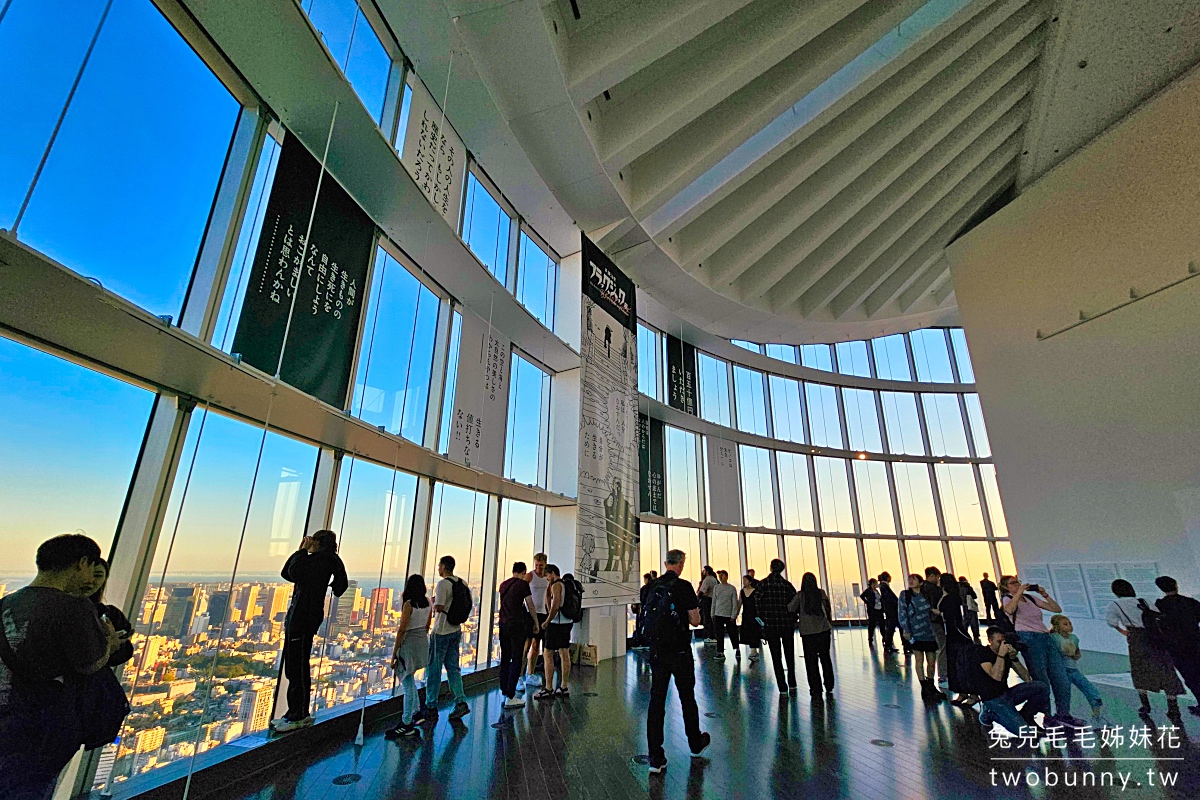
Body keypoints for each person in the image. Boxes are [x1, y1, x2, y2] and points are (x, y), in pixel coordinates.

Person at [0, 534, 124, 800]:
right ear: (81, 563)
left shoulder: (7, 603)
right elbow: (90, 663)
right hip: (43, 724)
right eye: (91, 568)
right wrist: (110, 644)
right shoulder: (73, 606)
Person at [643, 550, 709, 773]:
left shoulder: (650, 587)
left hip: (657, 652)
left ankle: (655, 756)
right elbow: (695, 619)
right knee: (687, 698)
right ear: (681, 564)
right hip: (680, 652)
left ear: (665, 563)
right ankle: (694, 744)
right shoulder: (684, 586)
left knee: (657, 701)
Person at [276, 529, 348, 731]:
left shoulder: (319, 560)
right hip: (307, 616)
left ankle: (298, 714)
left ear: (317, 542)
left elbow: (291, 572)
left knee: (296, 666)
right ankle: (294, 712)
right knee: (296, 664)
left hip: (302, 616)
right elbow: (340, 585)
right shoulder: (331, 560)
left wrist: (301, 551)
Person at [1001, 575, 1083, 726]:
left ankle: (1063, 713)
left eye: (1017, 581)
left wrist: (1044, 594)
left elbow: (1056, 609)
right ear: (1005, 587)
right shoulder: (1007, 599)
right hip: (1028, 638)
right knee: (1042, 680)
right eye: (1013, 583)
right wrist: (1018, 593)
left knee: (1061, 678)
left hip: (1045, 637)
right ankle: (1047, 716)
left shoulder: (1030, 598)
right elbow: (1010, 610)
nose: (1017, 584)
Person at [1105, 578, 1184, 720]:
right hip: (1154, 636)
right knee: (1165, 668)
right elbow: (1157, 615)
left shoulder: (1115, 604)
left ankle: (1145, 705)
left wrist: (1122, 631)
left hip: (1136, 637)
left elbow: (1111, 622)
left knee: (1140, 669)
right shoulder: (1144, 601)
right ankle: (1173, 706)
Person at [413, 555, 471, 725]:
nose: (438, 568)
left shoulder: (442, 584)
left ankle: (431, 706)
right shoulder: (462, 582)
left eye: (439, 566)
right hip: (456, 630)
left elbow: (438, 607)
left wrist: (432, 602)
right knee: (453, 668)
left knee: (434, 669)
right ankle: (460, 701)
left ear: (444, 567)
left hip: (441, 631)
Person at [977, 626, 1051, 737]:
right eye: (999, 642)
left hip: (1007, 694)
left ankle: (1026, 714)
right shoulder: (982, 654)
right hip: (993, 700)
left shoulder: (1007, 653)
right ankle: (990, 714)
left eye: (1004, 641)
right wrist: (1001, 655)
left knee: (1041, 686)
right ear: (990, 641)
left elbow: (1026, 677)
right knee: (1025, 733)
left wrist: (1013, 658)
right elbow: (995, 676)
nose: (1002, 645)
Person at [385, 575, 432, 739]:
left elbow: (402, 629)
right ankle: (417, 712)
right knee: (410, 679)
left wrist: (395, 652)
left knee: (406, 682)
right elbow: (427, 626)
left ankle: (406, 723)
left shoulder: (409, 604)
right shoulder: (428, 604)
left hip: (409, 645)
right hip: (421, 644)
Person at [1048, 614, 1110, 726]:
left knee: (1091, 691)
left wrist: (1075, 654)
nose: (1069, 626)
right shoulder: (1053, 638)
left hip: (1073, 669)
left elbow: (1077, 653)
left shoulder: (1074, 638)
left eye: (1070, 623)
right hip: (1062, 670)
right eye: (1065, 624)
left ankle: (1097, 717)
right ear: (1057, 626)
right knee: (1063, 695)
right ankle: (1062, 715)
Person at [1154, 575, 1200, 716]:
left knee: (1191, 677)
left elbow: (1158, 627)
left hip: (1177, 648)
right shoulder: (1190, 602)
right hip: (1196, 642)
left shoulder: (1160, 606)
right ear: (1176, 585)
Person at [497, 562, 539, 711]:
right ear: (523, 572)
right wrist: (535, 622)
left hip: (503, 624)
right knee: (517, 658)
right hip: (516, 625)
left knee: (505, 658)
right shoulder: (522, 585)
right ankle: (510, 695)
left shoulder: (503, 585)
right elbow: (530, 604)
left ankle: (504, 691)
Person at [78, 559, 134, 668]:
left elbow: (124, 653)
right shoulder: (61, 611)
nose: (91, 580)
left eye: (98, 575)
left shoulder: (111, 614)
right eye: (86, 575)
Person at [898, 574, 943, 700]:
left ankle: (930, 685)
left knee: (931, 660)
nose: (911, 581)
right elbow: (902, 612)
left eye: (914, 579)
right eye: (909, 579)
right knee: (919, 660)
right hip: (915, 632)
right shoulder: (905, 595)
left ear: (921, 582)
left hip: (929, 631)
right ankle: (924, 687)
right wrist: (906, 629)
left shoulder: (926, 595)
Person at [757, 559, 798, 694]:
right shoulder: (787, 585)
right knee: (789, 653)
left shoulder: (763, 585)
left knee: (776, 656)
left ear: (770, 568)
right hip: (786, 624)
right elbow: (794, 603)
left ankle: (782, 685)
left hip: (771, 624)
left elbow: (757, 603)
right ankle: (792, 680)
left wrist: (764, 618)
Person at [936, 573, 977, 706]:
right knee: (956, 664)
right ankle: (963, 692)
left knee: (962, 665)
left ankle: (972, 694)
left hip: (955, 634)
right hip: (953, 633)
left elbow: (943, 610)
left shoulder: (950, 598)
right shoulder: (953, 597)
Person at [535, 565, 573, 699]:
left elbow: (555, 605)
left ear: (552, 573)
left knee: (548, 653)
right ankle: (563, 686)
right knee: (564, 653)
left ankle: (549, 687)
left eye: (547, 575)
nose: (546, 578)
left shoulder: (556, 585)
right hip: (566, 623)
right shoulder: (564, 585)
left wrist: (547, 621)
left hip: (556, 624)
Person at [795, 572, 834, 697]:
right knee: (825, 658)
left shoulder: (800, 596)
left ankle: (815, 688)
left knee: (811, 661)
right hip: (823, 629)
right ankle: (829, 684)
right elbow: (827, 609)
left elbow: (790, 608)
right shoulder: (821, 593)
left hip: (808, 632)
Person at [520, 553, 550, 691]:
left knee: (536, 644)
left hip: (542, 613)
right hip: (529, 613)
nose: (538, 568)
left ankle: (530, 673)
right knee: (526, 645)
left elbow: (549, 595)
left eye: (541, 565)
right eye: (537, 565)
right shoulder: (530, 576)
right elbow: (521, 591)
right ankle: (520, 675)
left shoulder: (547, 578)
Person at [921, 567, 947, 685]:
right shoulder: (934, 590)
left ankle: (930, 676)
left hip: (925, 623)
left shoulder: (921, 589)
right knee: (942, 647)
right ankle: (943, 675)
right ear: (932, 576)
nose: (938, 579)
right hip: (936, 621)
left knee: (930, 651)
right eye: (937, 577)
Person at [709, 570, 740, 660]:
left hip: (728, 614)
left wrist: (733, 615)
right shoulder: (716, 588)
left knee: (732, 633)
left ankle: (737, 648)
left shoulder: (732, 588)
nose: (720, 577)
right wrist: (712, 613)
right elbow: (714, 601)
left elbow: (734, 602)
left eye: (722, 575)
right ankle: (720, 652)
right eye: (719, 576)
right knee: (719, 634)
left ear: (726, 576)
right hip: (718, 613)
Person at [738, 575, 762, 662]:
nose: (744, 582)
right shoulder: (742, 591)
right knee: (748, 632)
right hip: (746, 615)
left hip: (754, 615)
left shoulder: (755, 592)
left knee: (754, 632)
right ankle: (753, 651)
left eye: (745, 580)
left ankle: (753, 652)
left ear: (750, 582)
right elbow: (739, 603)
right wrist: (736, 614)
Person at [859, 578, 884, 648]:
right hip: (873, 610)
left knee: (881, 624)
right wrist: (868, 603)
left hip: (879, 609)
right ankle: (870, 638)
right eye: (875, 583)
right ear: (872, 583)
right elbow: (862, 596)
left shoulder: (876, 591)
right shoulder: (869, 591)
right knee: (872, 625)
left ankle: (884, 638)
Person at [878, 572, 899, 653]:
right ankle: (888, 645)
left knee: (890, 628)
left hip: (889, 611)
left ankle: (888, 645)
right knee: (891, 629)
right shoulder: (884, 586)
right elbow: (889, 599)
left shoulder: (883, 586)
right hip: (891, 611)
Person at [697, 566, 718, 642]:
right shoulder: (714, 579)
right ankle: (713, 635)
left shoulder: (707, 579)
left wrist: (698, 599)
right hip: (713, 600)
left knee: (707, 618)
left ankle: (709, 636)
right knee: (711, 618)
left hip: (707, 600)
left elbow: (702, 591)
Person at [959, 576, 981, 642]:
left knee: (966, 620)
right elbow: (974, 596)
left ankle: (963, 632)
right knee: (973, 620)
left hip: (964, 606)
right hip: (970, 606)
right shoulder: (968, 587)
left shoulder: (958, 588)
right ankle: (976, 635)